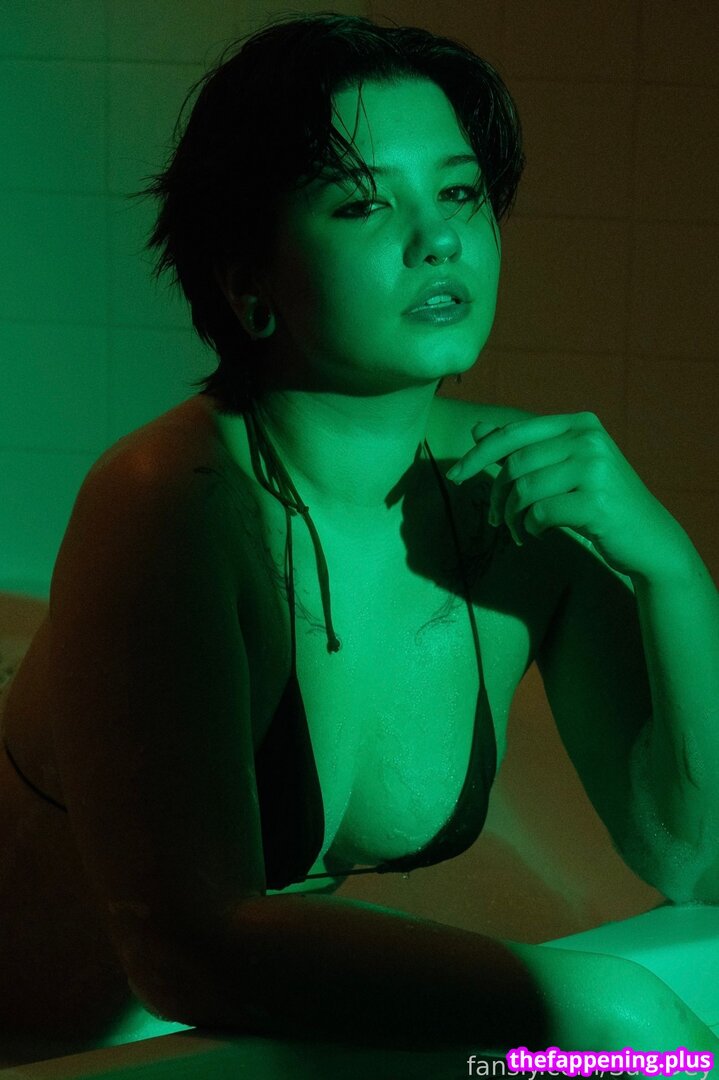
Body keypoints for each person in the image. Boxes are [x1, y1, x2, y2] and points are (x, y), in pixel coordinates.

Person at [2, 11, 718, 1070]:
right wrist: (596, 1009)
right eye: (361, 203)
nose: (438, 239)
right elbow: (184, 953)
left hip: (246, 1034)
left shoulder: (518, 495)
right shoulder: (171, 504)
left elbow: (691, 863)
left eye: (459, 194)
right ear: (245, 281)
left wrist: (669, 569)